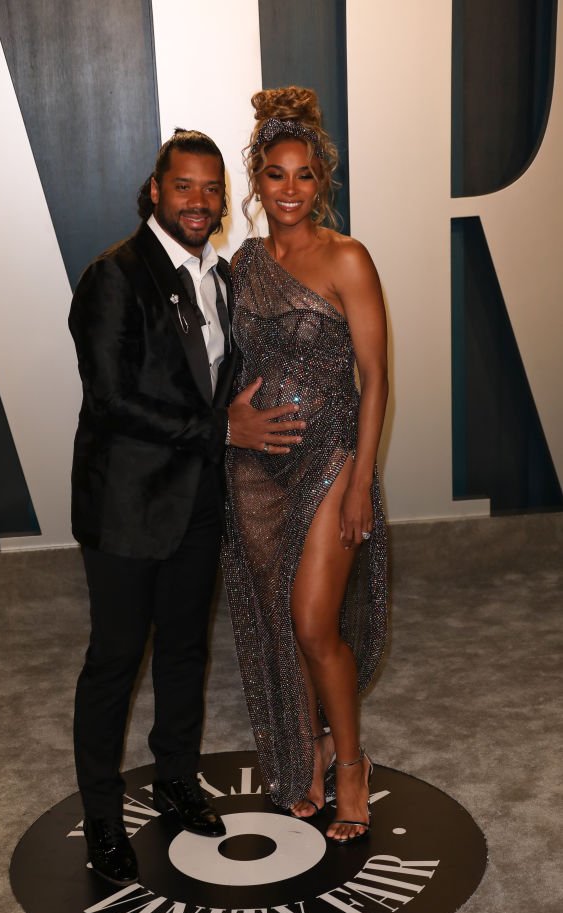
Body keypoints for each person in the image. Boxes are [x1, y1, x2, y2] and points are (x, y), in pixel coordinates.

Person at [69, 129, 305, 886]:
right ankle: (103, 819)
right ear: (154, 191)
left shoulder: (218, 276)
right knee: (113, 662)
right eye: (183, 188)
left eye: (210, 189)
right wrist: (220, 428)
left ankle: (174, 778)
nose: (198, 202)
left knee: (183, 653)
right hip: (126, 507)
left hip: (198, 500)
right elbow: (112, 402)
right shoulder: (115, 275)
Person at [222, 88, 388, 843]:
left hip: (328, 461)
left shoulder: (348, 258)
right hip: (255, 471)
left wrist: (360, 479)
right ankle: (307, 755)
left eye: (305, 176)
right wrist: (231, 426)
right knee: (275, 621)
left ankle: (349, 765)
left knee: (314, 621)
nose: (290, 190)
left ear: (323, 182)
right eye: (276, 175)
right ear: (256, 181)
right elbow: (224, 368)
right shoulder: (244, 262)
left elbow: (374, 376)